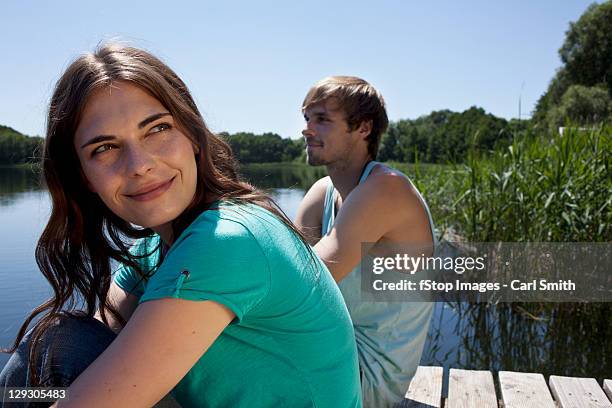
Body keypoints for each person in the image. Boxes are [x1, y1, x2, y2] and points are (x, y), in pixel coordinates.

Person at [0, 45, 361, 408]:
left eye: (157, 128)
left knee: (60, 346)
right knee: (60, 340)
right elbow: (91, 343)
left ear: (193, 136)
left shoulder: (228, 239)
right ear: (84, 177)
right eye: (104, 148)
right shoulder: (156, 247)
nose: (139, 164)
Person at [295, 76, 436, 407]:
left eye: (322, 119)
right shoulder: (323, 191)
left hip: (367, 377)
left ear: (363, 129)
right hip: (327, 347)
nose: (307, 129)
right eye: (307, 118)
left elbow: (302, 284)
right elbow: (285, 260)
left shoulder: (386, 189)